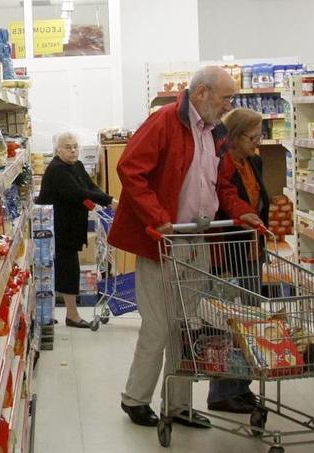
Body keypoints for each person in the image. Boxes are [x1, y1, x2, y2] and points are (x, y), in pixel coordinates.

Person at [108, 66, 262, 428]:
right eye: (226, 97)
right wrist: (156, 215)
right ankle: (135, 398)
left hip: (198, 238)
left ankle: (177, 406)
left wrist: (243, 213)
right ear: (203, 92)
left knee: (185, 326)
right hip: (164, 239)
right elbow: (130, 169)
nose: (229, 104)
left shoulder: (215, 132)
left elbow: (221, 185)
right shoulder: (164, 121)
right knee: (159, 325)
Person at [208, 108, 271, 414]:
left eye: (260, 136)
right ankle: (222, 391)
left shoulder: (253, 162)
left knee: (250, 322)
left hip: (250, 251)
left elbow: (260, 202)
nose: (257, 143)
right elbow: (225, 202)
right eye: (253, 137)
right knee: (229, 322)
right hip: (228, 252)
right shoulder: (220, 165)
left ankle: (241, 385)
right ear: (232, 138)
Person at [37, 132, 116, 328]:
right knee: (67, 269)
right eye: (67, 147)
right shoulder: (57, 170)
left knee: (63, 268)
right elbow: (78, 192)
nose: (73, 150)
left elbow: (91, 186)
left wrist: (109, 199)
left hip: (71, 226)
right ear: (58, 150)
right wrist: (108, 201)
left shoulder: (77, 165)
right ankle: (71, 315)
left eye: (75, 146)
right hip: (57, 228)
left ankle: (49, 314)